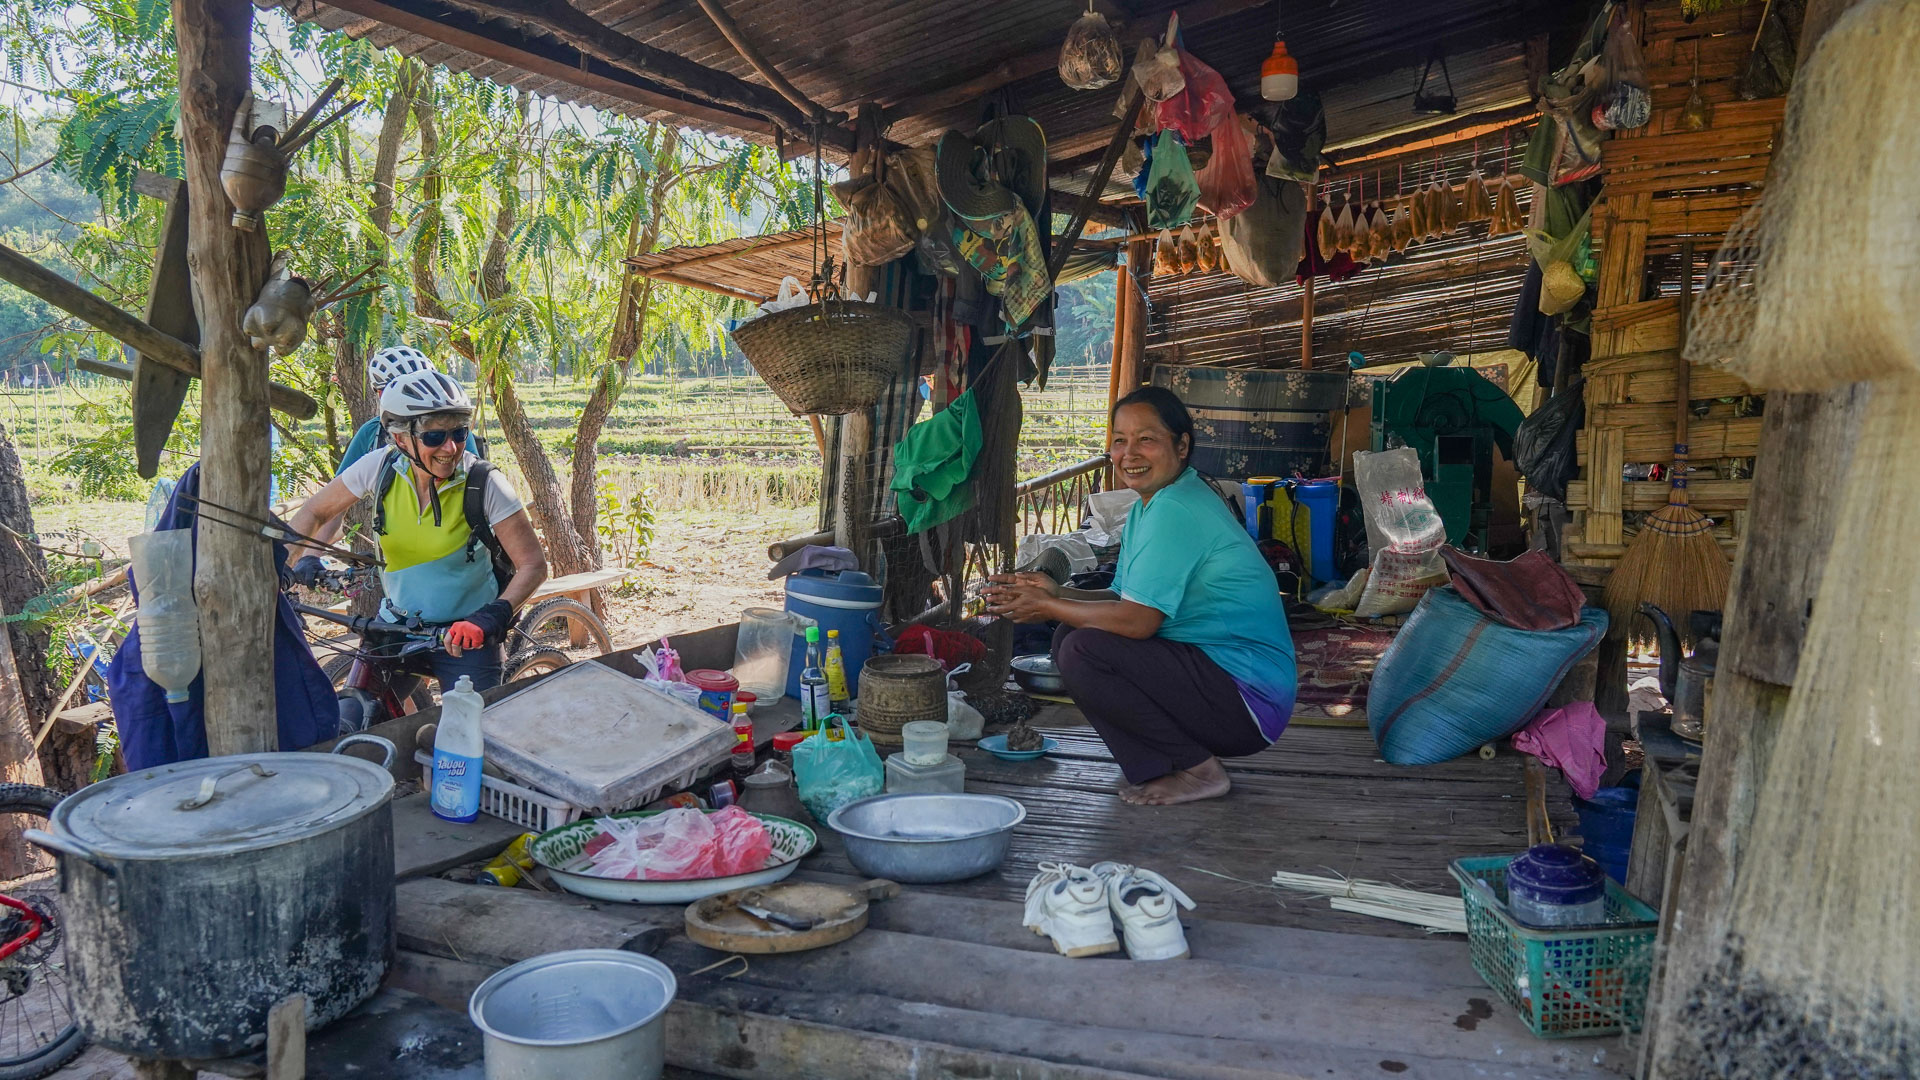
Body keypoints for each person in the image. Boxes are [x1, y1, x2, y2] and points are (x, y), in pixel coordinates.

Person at [983, 386, 1296, 806]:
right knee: (1067, 638)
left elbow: (1137, 622)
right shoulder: (1153, 504)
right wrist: (1058, 592)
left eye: (1146, 439)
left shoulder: (1175, 509)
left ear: (1181, 445)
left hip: (1248, 703)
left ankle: (1200, 771)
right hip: (1229, 689)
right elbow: (1123, 596)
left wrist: (1046, 606)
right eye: (1119, 440)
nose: (1129, 453)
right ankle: (1159, 763)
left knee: (1083, 650)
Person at [286, 368, 547, 692]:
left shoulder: (483, 482)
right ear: (399, 438)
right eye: (435, 437)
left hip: (465, 635)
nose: (451, 448)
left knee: (472, 732)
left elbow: (533, 565)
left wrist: (493, 616)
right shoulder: (379, 468)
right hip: (396, 626)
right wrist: (289, 563)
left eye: (460, 433)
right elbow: (315, 510)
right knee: (358, 717)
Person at [337, 345, 480, 472]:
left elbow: (476, 473)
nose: (450, 447)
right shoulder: (371, 432)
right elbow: (339, 486)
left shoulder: (456, 430)